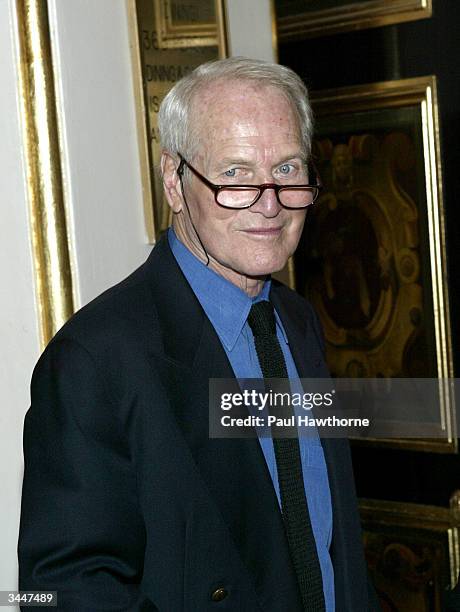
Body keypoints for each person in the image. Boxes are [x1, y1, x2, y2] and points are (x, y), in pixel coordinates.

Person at [18, 57, 380, 611]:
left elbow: (329, 546)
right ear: (174, 182)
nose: (269, 202)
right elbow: (66, 593)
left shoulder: (299, 322)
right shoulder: (96, 360)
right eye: (235, 174)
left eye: (287, 169)